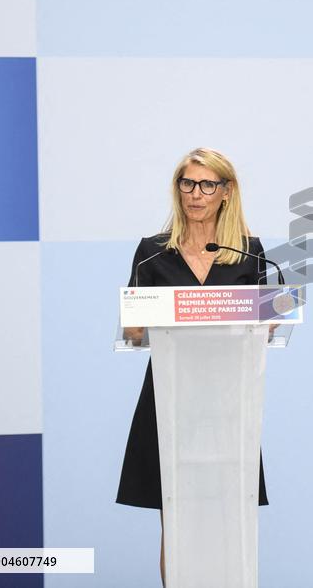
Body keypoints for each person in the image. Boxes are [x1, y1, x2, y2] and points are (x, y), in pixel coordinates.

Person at [118, 147, 270, 586]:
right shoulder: (151, 254)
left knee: (229, 515)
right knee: (177, 519)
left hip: (228, 405)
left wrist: (270, 319)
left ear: (226, 192)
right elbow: (133, 330)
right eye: (188, 183)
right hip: (170, 402)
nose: (196, 194)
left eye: (207, 185)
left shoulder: (250, 254)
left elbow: (267, 323)